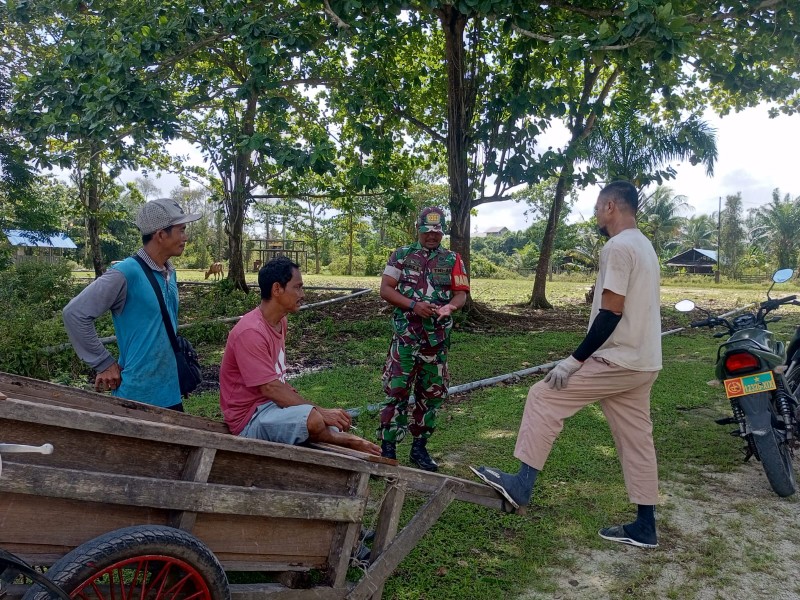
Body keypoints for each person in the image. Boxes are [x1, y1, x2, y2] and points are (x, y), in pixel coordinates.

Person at [471, 181, 662, 549]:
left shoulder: (618, 246)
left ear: (610, 206)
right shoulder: (644, 245)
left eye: (596, 207)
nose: (595, 214)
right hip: (644, 362)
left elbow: (611, 313)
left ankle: (521, 485)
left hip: (618, 360)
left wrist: (573, 361)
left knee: (543, 397)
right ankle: (645, 525)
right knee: (638, 442)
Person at [219, 257, 381, 456]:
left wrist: (318, 412)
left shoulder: (280, 322)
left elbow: (277, 382)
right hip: (250, 419)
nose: (302, 294)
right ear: (277, 289)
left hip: (272, 406)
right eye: (297, 287)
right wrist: (319, 411)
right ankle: (344, 441)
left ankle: (337, 436)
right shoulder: (251, 332)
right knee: (313, 419)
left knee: (321, 418)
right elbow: (270, 388)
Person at [63, 197, 201, 411]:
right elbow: (74, 313)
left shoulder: (169, 272)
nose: (185, 237)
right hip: (138, 396)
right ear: (161, 235)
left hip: (171, 392)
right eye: (181, 230)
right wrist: (104, 363)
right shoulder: (125, 273)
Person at [378, 206, 470, 471]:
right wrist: (412, 305)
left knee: (429, 395)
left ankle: (419, 449)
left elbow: (460, 294)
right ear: (417, 229)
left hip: (436, 341)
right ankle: (388, 450)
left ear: (443, 231)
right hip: (406, 338)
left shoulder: (453, 259)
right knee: (396, 392)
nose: (432, 235)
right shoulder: (401, 256)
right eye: (427, 230)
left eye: (437, 230)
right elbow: (385, 288)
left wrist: (449, 307)